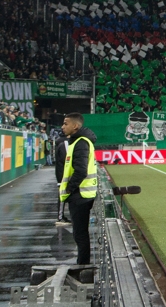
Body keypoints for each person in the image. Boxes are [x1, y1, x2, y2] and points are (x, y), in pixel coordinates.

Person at [59, 113, 98, 264]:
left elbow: (81, 171)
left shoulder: (80, 143)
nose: (63, 127)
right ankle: (82, 263)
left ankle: (83, 265)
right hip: (82, 193)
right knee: (80, 233)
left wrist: (69, 189)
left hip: (80, 195)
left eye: (65, 123)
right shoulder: (79, 141)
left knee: (80, 234)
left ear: (75, 126)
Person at [53, 130, 70, 224]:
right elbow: (67, 160)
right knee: (62, 195)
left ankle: (61, 216)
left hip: (62, 173)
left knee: (63, 195)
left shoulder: (61, 142)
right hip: (63, 174)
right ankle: (60, 217)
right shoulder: (65, 144)